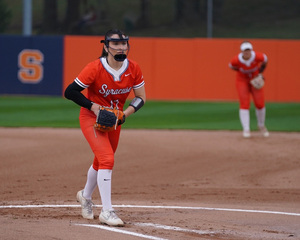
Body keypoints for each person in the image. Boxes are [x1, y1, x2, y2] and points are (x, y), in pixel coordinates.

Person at [64, 29, 146, 226]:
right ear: (106, 46)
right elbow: (70, 91)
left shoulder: (133, 68)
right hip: (91, 118)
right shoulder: (95, 68)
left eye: (123, 43)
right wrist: (94, 107)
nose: (120, 47)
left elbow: (141, 97)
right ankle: (107, 211)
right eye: (116, 44)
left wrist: (124, 115)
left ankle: (85, 196)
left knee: (101, 161)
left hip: (114, 121)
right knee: (107, 158)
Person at [229, 41, 269, 138]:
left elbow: (265, 60)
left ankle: (261, 125)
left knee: (260, 104)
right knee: (244, 104)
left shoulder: (257, 56)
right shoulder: (236, 60)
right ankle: (246, 129)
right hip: (242, 80)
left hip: (255, 79)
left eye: (248, 50)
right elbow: (231, 66)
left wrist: (261, 72)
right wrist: (240, 71)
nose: (247, 52)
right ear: (241, 52)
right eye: (245, 50)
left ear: (251, 50)